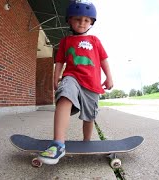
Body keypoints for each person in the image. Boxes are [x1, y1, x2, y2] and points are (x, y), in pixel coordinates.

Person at [38, 0, 113, 165]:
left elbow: (103, 59)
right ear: (69, 20)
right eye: (78, 19)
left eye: (86, 20)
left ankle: (87, 143)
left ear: (91, 23)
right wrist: (55, 77)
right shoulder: (66, 41)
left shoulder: (95, 40)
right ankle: (58, 143)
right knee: (64, 96)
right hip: (72, 77)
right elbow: (59, 61)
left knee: (89, 117)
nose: (82, 23)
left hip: (92, 83)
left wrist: (109, 76)